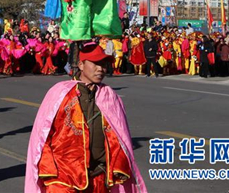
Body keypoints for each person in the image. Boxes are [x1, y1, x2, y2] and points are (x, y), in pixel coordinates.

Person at [25, 43, 145, 192]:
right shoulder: (59, 93)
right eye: (95, 63)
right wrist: (49, 171)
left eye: (103, 64)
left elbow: (121, 139)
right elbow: (42, 138)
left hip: (99, 178)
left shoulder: (110, 97)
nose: (100, 69)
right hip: (63, 178)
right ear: (81, 65)